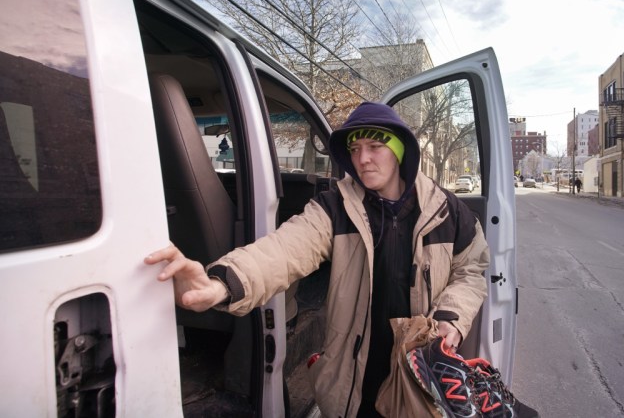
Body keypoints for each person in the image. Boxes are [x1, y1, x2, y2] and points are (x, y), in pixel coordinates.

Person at [145, 102, 531, 417]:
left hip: (419, 372)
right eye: (354, 149)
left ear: (398, 149)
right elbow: (285, 249)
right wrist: (220, 284)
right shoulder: (335, 207)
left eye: (374, 146)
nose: (362, 159)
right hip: (352, 379)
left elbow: (472, 270)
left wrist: (450, 319)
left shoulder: (447, 210)